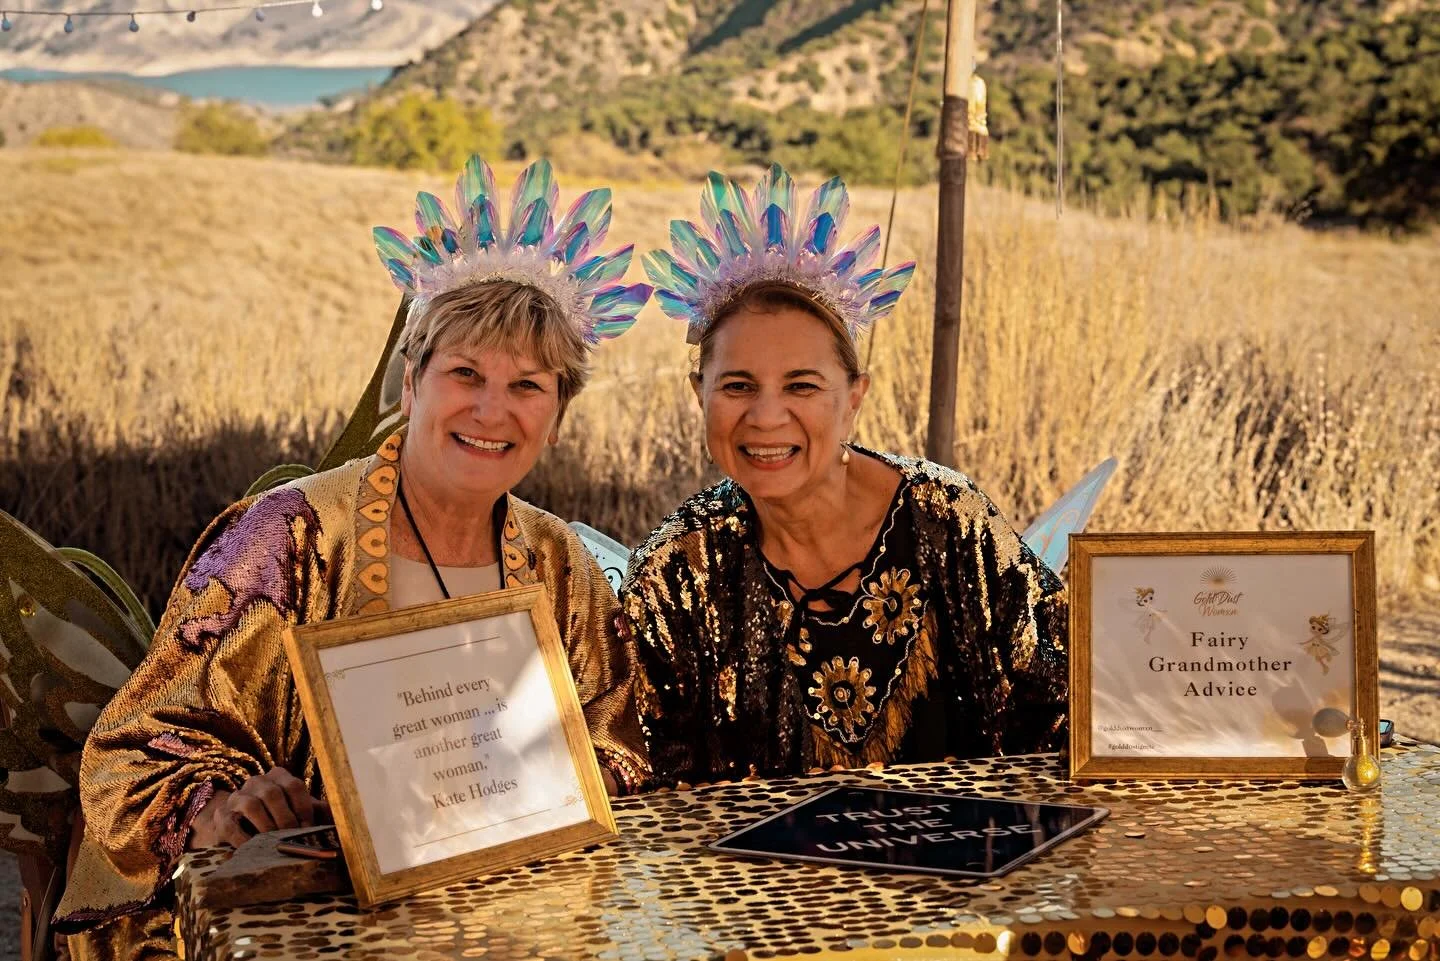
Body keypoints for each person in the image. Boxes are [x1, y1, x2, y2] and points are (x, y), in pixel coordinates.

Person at [55, 156, 654, 959]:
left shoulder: (558, 561)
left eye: (528, 387)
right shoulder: (287, 535)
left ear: (557, 414)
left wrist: (534, 788)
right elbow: (134, 748)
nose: (491, 409)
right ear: (411, 384)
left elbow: (618, 739)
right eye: (465, 373)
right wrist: (221, 803)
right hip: (294, 920)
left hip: (508, 916)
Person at [621, 163, 1067, 788]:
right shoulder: (679, 571)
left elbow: (1059, 705)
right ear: (700, 395)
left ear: (854, 396)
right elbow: (646, 780)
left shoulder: (948, 522)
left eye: (802, 385)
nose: (766, 416)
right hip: (760, 887)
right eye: (737, 386)